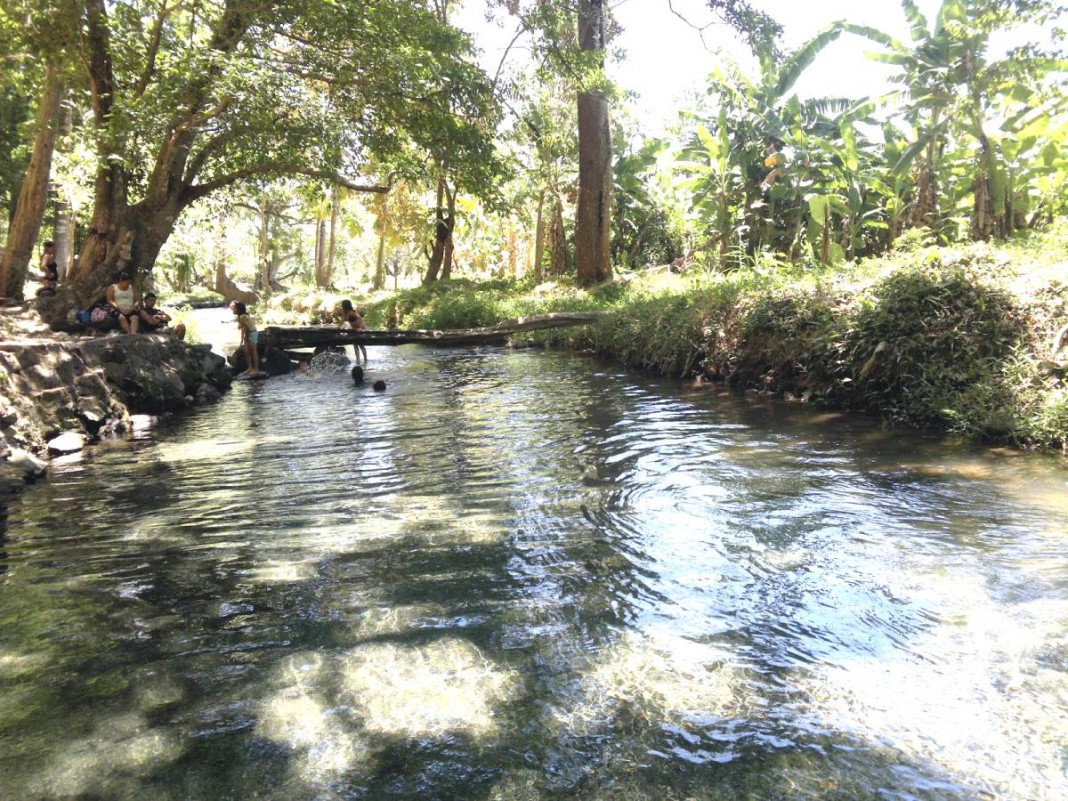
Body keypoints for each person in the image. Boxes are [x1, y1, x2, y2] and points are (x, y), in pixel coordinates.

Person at [233, 301, 261, 376]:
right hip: (248, 333)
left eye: (234, 308)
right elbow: (242, 329)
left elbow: (246, 328)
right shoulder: (240, 317)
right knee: (246, 351)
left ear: (238, 309)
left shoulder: (243, 317)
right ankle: (250, 368)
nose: (233, 310)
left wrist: (244, 339)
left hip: (252, 333)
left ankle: (256, 369)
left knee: (253, 351)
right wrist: (242, 340)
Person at [340, 299, 368, 365]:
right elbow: (342, 321)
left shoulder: (351, 313)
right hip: (355, 330)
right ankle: (358, 359)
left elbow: (360, 321)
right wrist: (338, 327)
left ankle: (365, 359)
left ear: (345, 306)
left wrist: (361, 328)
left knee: (360, 345)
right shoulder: (347, 313)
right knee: (355, 345)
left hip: (360, 330)